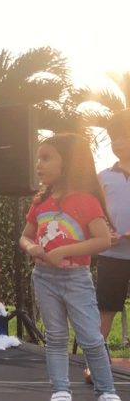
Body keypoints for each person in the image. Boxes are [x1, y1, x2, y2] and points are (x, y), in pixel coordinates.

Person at [19, 133, 122, 401]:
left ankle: (106, 390)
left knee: (91, 337)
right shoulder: (40, 202)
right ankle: (61, 390)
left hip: (76, 279)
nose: (39, 165)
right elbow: (25, 236)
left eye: (46, 158)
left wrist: (64, 251)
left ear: (68, 163)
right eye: (38, 159)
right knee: (55, 337)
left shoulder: (87, 201)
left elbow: (101, 241)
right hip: (44, 278)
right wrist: (32, 249)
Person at [94, 109, 130, 385]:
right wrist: (104, 230)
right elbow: (92, 211)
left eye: (124, 136)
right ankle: (96, 365)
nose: (118, 143)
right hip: (112, 255)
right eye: (113, 138)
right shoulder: (102, 176)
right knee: (105, 308)